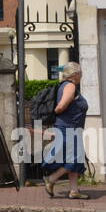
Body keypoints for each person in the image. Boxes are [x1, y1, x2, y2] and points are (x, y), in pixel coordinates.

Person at [41, 63, 89, 200]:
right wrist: (56, 112)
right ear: (74, 74)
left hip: (70, 128)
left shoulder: (64, 85)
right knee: (75, 158)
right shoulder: (70, 86)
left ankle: (74, 191)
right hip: (68, 129)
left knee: (73, 159)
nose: (81, 75)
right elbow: (61, 106)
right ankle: (51, 179)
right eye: (80, 73)